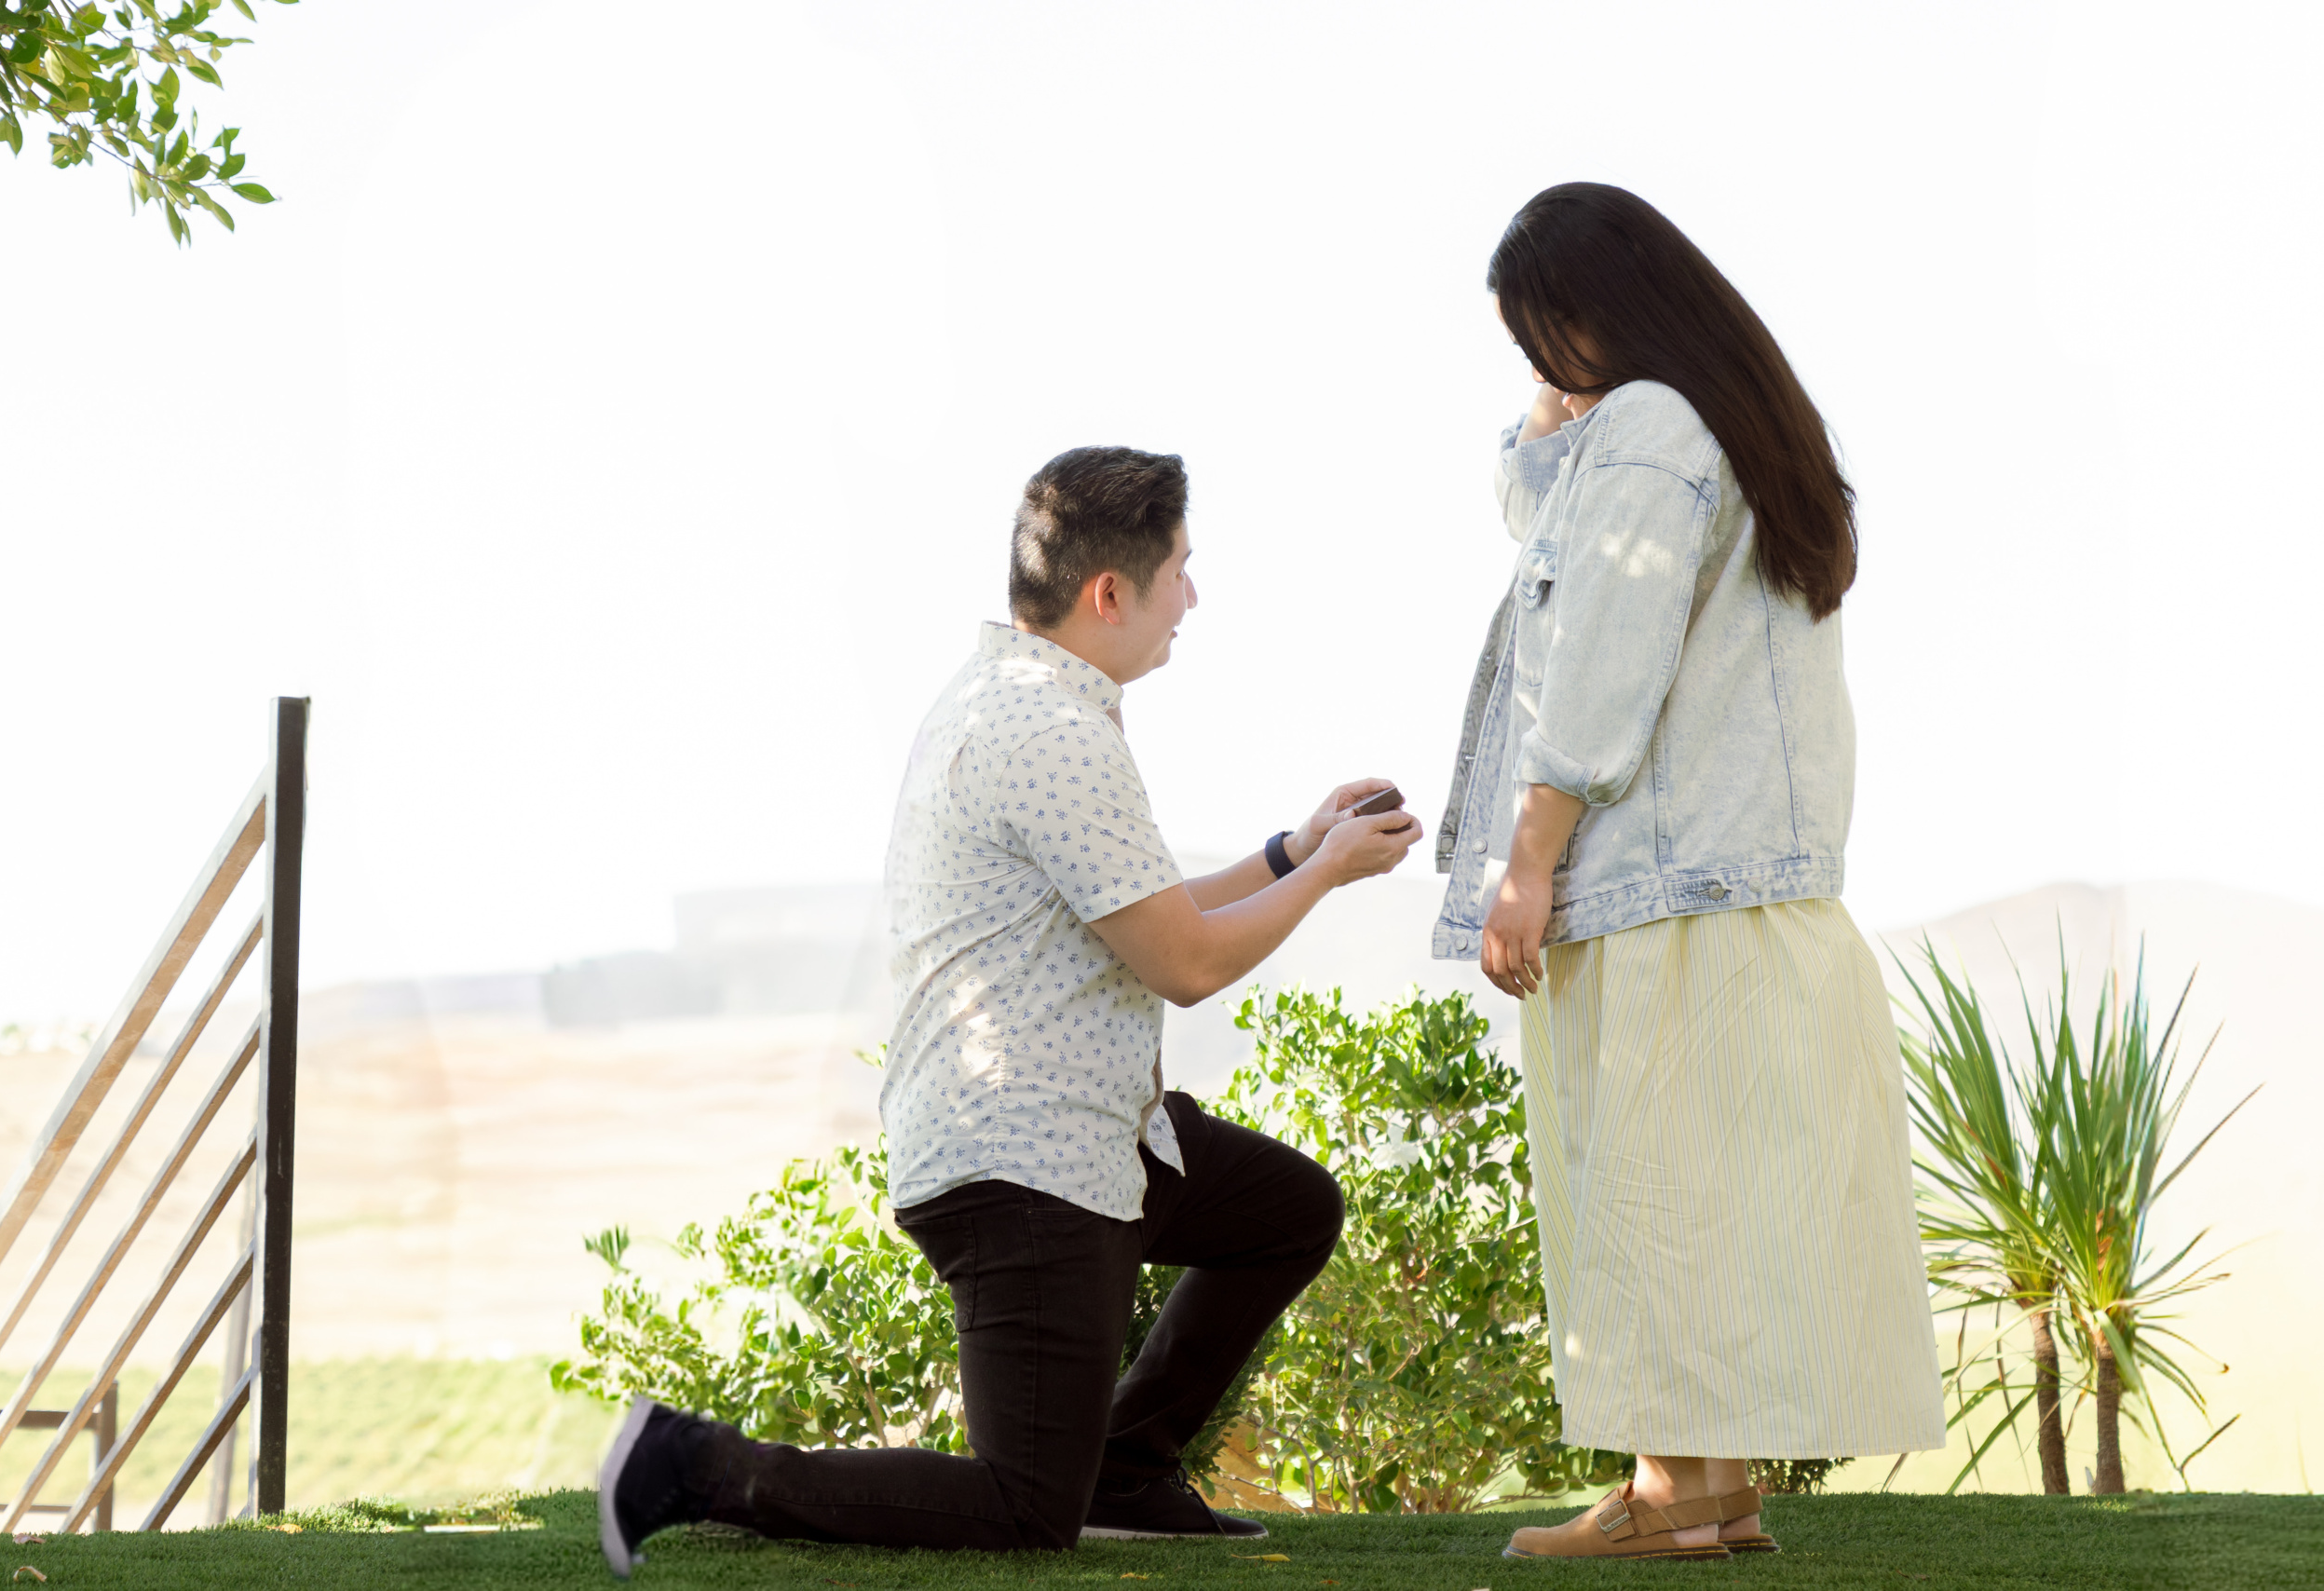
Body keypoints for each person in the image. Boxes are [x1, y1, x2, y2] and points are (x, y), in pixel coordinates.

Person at [598, 444, 1422, 1573]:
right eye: (1181, 568)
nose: (1194, 595)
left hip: (1094, 1139)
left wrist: (1289, 848)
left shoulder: (1022, 697)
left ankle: (1128, 1466)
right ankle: (691, 1463)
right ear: (1109, 593)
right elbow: (1181, 959)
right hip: (1022, 1168)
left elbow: (1146, 906)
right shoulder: (1052, 734)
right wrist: (1324, 876)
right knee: (1026, 1511)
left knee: (1286, 1209)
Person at [1433, 184, 1945, 1563]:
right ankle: (1706, 1489)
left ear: (1608, 308)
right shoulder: (1741, 425)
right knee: (1702, 1189)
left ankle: (1670, 1493)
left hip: (1656, 880)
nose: (1540, 371)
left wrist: (1527, 860)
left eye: (1546, 337)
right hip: (1747, 882)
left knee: (1644, 1189)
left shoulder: (1654, 429)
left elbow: (1600, 657)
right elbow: (1559, 532)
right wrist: (1546, 423)